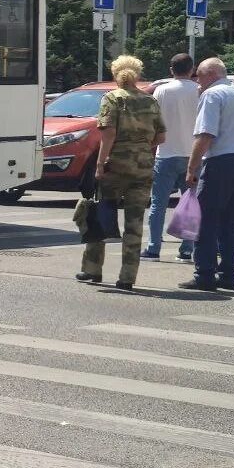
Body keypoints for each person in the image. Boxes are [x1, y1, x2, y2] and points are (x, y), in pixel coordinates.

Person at [76, 55, 164, 291]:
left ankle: (92, 269)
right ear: (138, 74)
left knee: (101, 213)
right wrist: (142, 147)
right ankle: (127, 277)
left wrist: (100, 163)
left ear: (116, 75)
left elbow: (108, 134)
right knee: (134, 223)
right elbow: (161, 136)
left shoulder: (111, 99)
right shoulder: (150, 101)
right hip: (143, 167)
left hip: (115, 166)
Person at [181, 57, 234, 290]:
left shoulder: (211, 95)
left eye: (199, 76)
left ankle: (204, 274)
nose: (197, 81)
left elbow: (205, 135)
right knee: (231, 221)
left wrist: (191, 168)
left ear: (211, 74)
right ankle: (228, 275)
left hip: (221, 160)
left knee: (206, 219)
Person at [142, 54, 198, 262]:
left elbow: (152, 121)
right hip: (192, 155)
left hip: (165, 153)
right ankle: (186, 250)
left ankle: (153, 248)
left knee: (158, 203)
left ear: (171, 69)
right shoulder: (199, 90)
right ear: (192, 69)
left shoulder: (162, 90)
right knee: (190, 203)